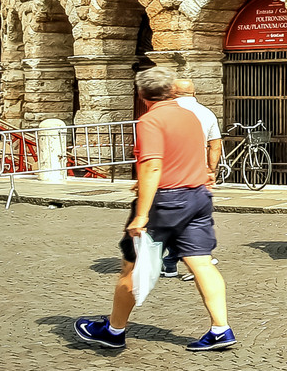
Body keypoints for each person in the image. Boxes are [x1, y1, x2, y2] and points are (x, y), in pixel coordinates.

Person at [74, 66, 235, 351]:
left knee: (132, 266)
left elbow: (152, 166)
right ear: (171, 90)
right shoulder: (191, 116)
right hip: (197, 195)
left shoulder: (150, 121)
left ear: (141, 94)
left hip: (166, 200)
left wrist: (141, 215)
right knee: (201, 263)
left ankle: (114, 330)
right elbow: (189, 154)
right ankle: (221, 329)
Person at [160, 79, 223, 282]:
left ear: (172, 92)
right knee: (193, 218)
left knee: (169, 219)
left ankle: (196, 259)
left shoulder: (167, 113)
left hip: (171, 174)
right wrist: (211, 170)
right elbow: (215, 145)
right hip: (198, 174)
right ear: (194, 92)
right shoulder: (207, 113)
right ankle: (175, 261)